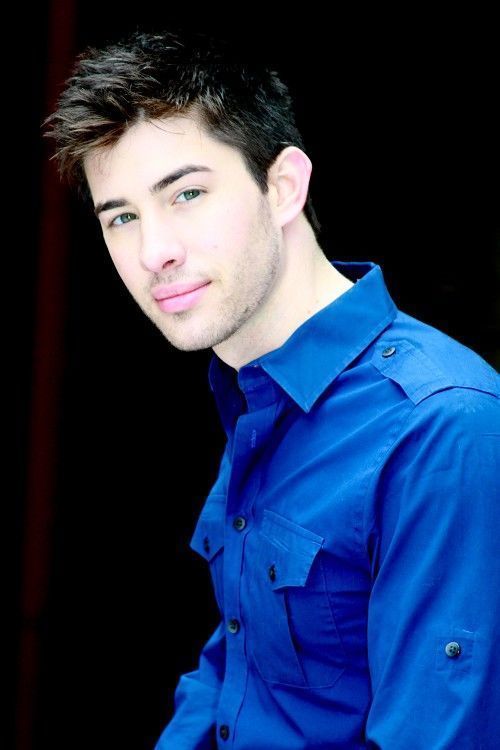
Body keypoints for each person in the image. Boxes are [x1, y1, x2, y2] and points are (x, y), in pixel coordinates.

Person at [44, 29, 499, 750]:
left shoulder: (442, 425)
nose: (153, 252)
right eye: (122, 217)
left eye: (187, 194)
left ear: (283, 186)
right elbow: (243, 668)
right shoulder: (255, 390)